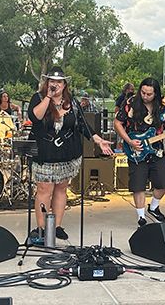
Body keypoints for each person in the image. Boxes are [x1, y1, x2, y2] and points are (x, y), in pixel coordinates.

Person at [28, 66, 112, 242]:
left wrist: (98, 140)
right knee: (44, 189)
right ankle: (41, 228)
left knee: (61, 188)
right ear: (47, 83)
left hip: (67, 152)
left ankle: (57, 226)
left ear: (64, 84)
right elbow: (35, 117)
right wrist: (48, 97)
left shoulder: (72, 102)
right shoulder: (38, 98)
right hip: (45, 152)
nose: (55, 84)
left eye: (59, 82)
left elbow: (82, 124)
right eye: (52, 81)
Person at [114, 78, 165, 227]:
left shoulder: (163, 104)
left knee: (163, 182)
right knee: (138, 184)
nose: (145, 96)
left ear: (156, 93)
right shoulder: (131, 102)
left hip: (156, 150)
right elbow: (117, 123)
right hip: (136, 149)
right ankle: (141, 217)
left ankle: (154, 207)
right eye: (143, 92)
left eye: (149, 94)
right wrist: (129, 141)